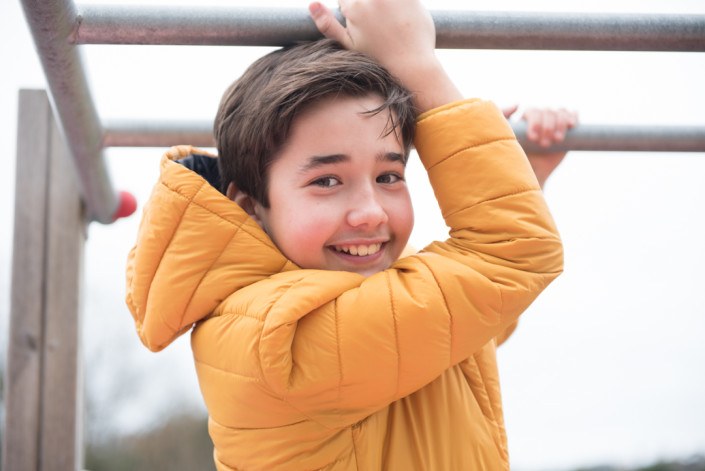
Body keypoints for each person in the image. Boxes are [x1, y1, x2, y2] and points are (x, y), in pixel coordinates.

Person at [125, 1, 565, 469]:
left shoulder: (356, 293)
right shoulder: (277, 338)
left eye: (389, 176)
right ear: (250, 207)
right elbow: (513, 260)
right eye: (327, 181)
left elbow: (475, 329)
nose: (370, 212)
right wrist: (418, 68)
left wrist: (520, 179)